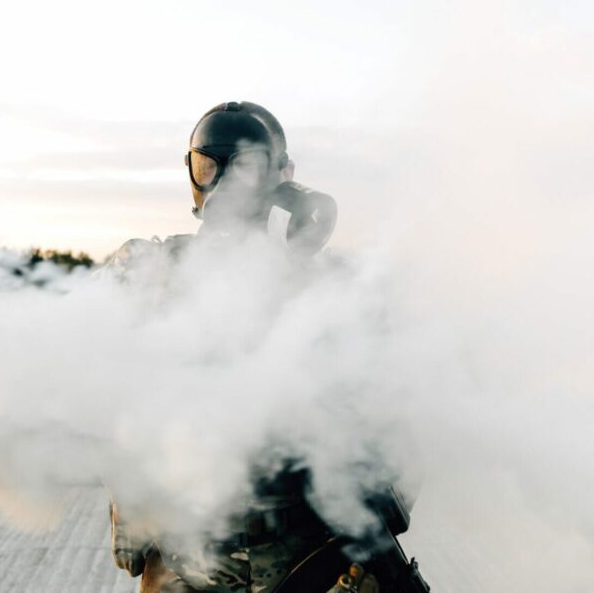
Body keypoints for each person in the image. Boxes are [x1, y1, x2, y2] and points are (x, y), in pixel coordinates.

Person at [105, 102, 428, 592]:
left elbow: (409, 408)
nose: (226, 183)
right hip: (187, 560)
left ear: (285, 174)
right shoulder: (151, 272)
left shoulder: (338, 286)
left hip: (313, 560)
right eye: (209, 166)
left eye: (249, 167)